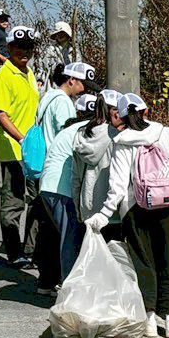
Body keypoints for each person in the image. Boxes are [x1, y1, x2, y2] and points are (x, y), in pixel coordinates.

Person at [85, 93, 169, 337]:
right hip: (167, 206)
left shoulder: (122, 141)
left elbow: (118, 185)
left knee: (144, 264)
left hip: (134, 209)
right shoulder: (166, 134)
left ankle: (148, 320)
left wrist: (103, 214)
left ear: (123, 117)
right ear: (146, 111)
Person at [29, 60, 96, 295]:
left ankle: (46, 282)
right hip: (60, 178)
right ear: (71, 80)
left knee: (50, 231)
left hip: (45, 173)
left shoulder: (47, 97)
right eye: (83, 84)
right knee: (69, 236)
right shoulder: (64, 104)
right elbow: (74, 143)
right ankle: (70, 292)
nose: (85, 90)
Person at [0, 25, 40, 267]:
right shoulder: (3, 75)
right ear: (9, 48)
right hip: (13, 149)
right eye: (19, 48)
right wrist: (21, 138)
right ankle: (14, 252)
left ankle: (30, 249)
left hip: (34, 151)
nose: (24, 52)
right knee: (14, 201)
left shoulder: (29, 73)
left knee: (38, 199)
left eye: (28, 48)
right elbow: (1, 113)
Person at [38, 92, 98, 283]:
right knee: (70, 241)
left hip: (48, 185)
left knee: (53, 237)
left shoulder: (72, 128)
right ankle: (70, 292)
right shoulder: (88, 131)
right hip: (62, 189)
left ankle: (46, 283)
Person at [73, 87, 121, 241]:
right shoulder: (119, 136)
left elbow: (75, 177)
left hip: (87, 205)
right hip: (112, 208)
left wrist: (77, 206)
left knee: (90, 256)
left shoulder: (81, 133)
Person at [37, 21, 73, 91]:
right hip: (54, 86)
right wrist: (40, 80)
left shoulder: (74, 51)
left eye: (62, 33)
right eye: (57, 34)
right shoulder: (51, 50)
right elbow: (43, 68)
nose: (59, 36)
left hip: (71, 85)